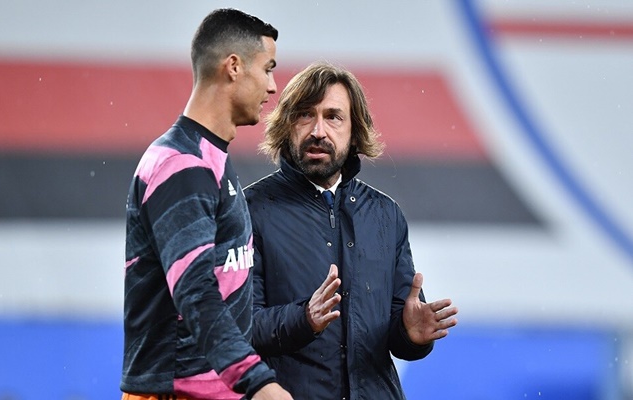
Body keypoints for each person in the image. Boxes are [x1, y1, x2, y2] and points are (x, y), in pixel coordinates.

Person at [244, 62, 458, 399]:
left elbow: (396, 333)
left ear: (355, 130)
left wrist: (411, 334)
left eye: (333, 117)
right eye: (305, 115)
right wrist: (304, 318)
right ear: (287, 126)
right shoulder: (249, 210)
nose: (318, 131)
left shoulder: (385, 215)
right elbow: (239, 328)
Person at [121, 8, 293, 400]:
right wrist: (257, 381)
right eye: (268, 69)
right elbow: (195, 291)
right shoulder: (180, 165)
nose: (272, 87)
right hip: (175, 393)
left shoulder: (210, 158)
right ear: (233, 67)